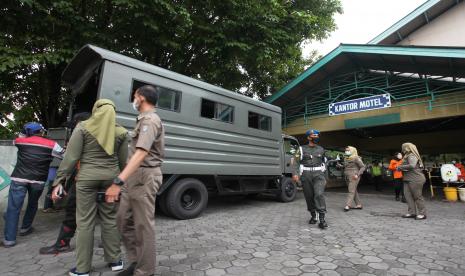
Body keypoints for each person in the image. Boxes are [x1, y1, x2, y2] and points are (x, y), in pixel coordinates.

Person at [52, 100, 128, 276]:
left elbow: (71, 158)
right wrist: (121, 183)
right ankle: (115, 261)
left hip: (86, 180)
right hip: (110, 180)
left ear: (96, 110)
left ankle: (83, 269)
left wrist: (60, 180)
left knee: (85, 222)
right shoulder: (122, 132)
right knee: (109, 219)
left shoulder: (83, 127)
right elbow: (124, 162)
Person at [106, 85, 165, 276]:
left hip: (145, 176)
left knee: (143, 225)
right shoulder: (142, 120)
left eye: (135, 96)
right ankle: (135, 262)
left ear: (141, 98)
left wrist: (118, 181)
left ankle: (145, 271)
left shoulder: (150, 120)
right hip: (134, 176)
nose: (133, 100)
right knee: (123, 220)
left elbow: (141, 153)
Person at [2, 122, 64, 248]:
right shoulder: (52, 144)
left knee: (13, 208)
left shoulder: (20, 141)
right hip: (39, 180)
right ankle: (25, 228)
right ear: (41, 132)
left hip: (19, 178)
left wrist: (24, 134)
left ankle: (9, 239)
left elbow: (19, 137)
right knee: (32, 203)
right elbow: (65, 156)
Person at [39, 112, 91, 255]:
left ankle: (63, 243)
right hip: (96, 180)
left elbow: (70, 160)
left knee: (72, 210)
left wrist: (60, 181)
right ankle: (109, 246)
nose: (73, 130)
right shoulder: (101, 136)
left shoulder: (82, 136)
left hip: (82, 179)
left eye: (75, 126)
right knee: (104, 214)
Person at [292, 129, 328, 229]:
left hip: (319, 175)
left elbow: (324, 164)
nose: (316, 137)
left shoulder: (321, 149)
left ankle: (322, 219)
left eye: (317, 136)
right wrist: (295, 174)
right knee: (309, 196)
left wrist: (326, 177)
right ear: (308, 137)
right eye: (313, 136)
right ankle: (313, 215)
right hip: (306, 174)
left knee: (319, 194)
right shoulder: (301, 149)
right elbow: (295, 162)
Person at [397, 142, 427, 220]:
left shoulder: (412, 155)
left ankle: (422, 214)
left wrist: (399, 167)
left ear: (407, 148)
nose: (402, 149)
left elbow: (412, 165)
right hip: (408, 178)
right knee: (408, 196)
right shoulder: (407, 155)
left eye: (403, 147)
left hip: (415, 179)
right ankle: (412, 212)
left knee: (417, 196)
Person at [341, 146, 366, 212]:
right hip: (347, 176)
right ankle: (359, 205)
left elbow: (363, 167)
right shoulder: (346, 158)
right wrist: (340, 166)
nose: (346, 151)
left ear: (352, 151)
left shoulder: (356, 158)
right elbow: (346, 166)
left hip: (354, 176)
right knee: (353, 190)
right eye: (346, 150)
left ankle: (347, 205)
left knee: (351, 190)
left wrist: (357, 175)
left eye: (348, 150)